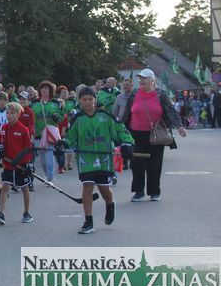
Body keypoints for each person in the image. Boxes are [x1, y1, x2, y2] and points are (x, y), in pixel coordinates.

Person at [56, 87, 134, 234]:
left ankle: (110, 204)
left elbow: (121, 129)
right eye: (84, 99)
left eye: (90, 99)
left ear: (95, 100)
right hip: (86, 160)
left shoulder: (105, 116)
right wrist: (63, 144)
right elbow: (70, 137)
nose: (87, 102)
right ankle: (88, 221)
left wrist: (127, 142)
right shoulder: (78, 118)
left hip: (104, 159)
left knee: (104, 189)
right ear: (79, 101)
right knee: (87, 186)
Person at [121, 68, 187, 202]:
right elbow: (127, 112)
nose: (141, 80)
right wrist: (120, 129)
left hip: (155, 135)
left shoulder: (161, 94)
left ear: (152, 80)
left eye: (144, 78)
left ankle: (154, 192)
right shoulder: (134, 93)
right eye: (140, 78)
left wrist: (179, 126)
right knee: (137, 164)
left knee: (155, 164)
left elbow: (170, 110)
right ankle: (138, 192)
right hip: (136, 134)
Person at [0, 102, 33, 225]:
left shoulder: (23, 130)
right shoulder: (3, 128)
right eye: (7, 113)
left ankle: (27, 213)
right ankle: (1, 213)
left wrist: (27, 163)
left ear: (18, 114)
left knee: (24, 188)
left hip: (20, 165)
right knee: (5, 187)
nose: (9, 115)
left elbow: (28, 149)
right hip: (8, 164)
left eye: (12, 113)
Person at [29, 81, 63, 182]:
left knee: (49, 155)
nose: (44, 90)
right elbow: (29, 118)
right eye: (42, 88)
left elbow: (61, 118)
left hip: (50, 135)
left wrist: (57, 117)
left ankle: (50, 177)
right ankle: (47, 173)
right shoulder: (34, 103)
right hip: (38, 134)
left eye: (46, 88)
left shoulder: (56, 103)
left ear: (50, 90)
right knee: (42, 158)